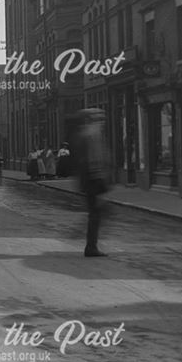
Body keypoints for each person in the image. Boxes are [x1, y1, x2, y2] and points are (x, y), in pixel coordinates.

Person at [70, 110, 112, 258]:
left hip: (88, 180)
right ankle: (91, 246)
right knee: (96, 213)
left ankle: (89, 242)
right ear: (91, 121)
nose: (101, 123)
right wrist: (101, 180)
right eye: (99, 120)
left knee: (96, 212)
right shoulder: (92, 135)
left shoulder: (84, 135)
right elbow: (95, 160)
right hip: (94, 180)